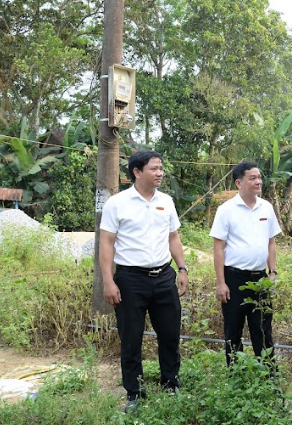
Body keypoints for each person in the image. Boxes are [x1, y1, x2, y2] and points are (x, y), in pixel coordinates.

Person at [100, 150, 188, 413]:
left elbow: (173, 237)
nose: (160, 173)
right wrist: (108, 281)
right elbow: (106, 243)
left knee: (170, 335)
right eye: (154, 168)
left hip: (163, 277)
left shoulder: (167, 202)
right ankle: (134, 393)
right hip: (130, 280)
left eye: (161, 168)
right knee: (131, 338)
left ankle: (171, 383)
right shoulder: (117, 203)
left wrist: (182, 269)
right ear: (137, 172)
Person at [210, 161, 282, 367]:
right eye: (253, 178)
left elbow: (271, 242)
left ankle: (269, 376)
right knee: (233, 330)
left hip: (260, 279)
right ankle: (236, 376)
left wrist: (272, 273)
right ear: (239, 183)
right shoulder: (226, 210)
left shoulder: (266, 207)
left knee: (263, 329)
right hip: (234, 279)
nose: (258, 181)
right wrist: (221, 283)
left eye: (259, 177)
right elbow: (218, 248)